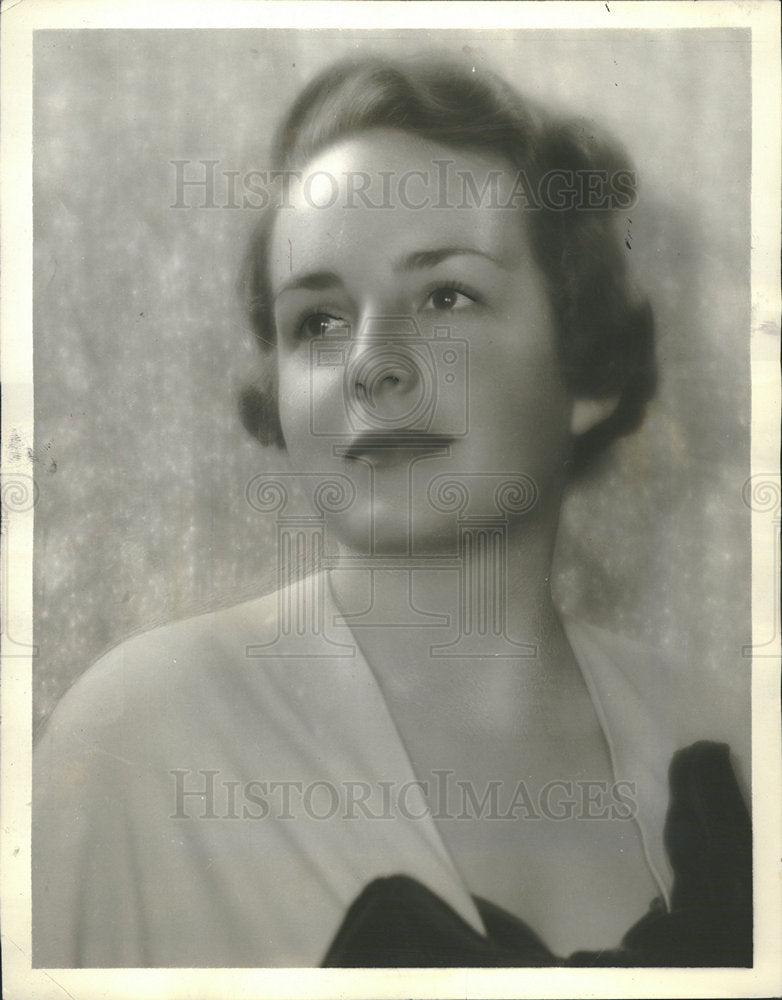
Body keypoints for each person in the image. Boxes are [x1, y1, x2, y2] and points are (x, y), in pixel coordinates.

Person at [33, 54, 751, 968]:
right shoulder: (142, 740)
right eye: (318, 322)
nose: (373, 364)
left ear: (588, 367)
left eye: (446, 296)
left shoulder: (733, 742)